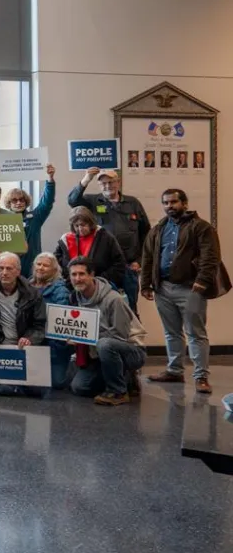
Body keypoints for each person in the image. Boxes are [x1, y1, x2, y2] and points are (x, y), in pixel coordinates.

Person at [141, 189, 226, 394]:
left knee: (196, 333)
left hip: (191, 289)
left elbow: (210, 257)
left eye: (174, 202)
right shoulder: (158, 228)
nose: (169, 206)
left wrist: (202, 282)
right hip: (163, 288)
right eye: (166, 203)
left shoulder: (201, 227)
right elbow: (148, 257)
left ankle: (201, 377)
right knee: (171, 333)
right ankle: (174, 371)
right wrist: (145, 284)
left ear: (185, 204)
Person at [67, 167, 150, 310]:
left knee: (129, 309)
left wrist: (139, 260)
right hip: (103, 271)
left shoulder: (133, 203)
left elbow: (146, 234)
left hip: (128, 268)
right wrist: (86, 179)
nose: (108, 186)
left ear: (118, 182)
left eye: (111, 182)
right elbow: (73, 200)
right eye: (103, 183)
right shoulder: (93, 201)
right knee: (100, 310)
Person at [67, 257, 147, 405]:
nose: (77, 278)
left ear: (92, 275)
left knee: (105, 344)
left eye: (82, 274)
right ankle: (124, 379)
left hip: (131, 350)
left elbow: (120, 335)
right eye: (74, 274)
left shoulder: (114, 299)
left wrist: (85, 338)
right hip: (98, 352)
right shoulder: (74, 298)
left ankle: (118, 392)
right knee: (79, 387)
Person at [0, 252, 48, 395]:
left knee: (37, 391)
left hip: (22, 348)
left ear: (18, 271)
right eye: (0, 268)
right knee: (6, 390)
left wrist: (30, 338)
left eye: (9, 269)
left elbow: (39, 326)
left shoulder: (33, 294)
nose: (4, 273)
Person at [0, 163, 56, 273]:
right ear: (9, 203)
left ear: (26, 202)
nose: (19, 203)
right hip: (8, 268)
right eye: (14, 200)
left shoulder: (35, 218)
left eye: (22, 200)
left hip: (31, 269)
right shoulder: (2, 219)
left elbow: (47, 202)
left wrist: (50, 178)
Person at [31, 252, 74, 389]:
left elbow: (61, 324)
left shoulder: (61, 291)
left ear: (54, 270)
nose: (41, 268)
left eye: (46, 265)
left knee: (56, 383)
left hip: (53, 345)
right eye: (38, 264)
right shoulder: (26, 285)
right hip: (31, 339)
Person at [55, 206, 126, 290]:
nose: (80, 229)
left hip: (100, 288)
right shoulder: (65, 240)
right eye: (76, 226)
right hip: (70, 288)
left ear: (91, 223)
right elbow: (55, 264)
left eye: (83, 225)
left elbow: (119, 264)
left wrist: (97, 281)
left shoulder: (105, 238)